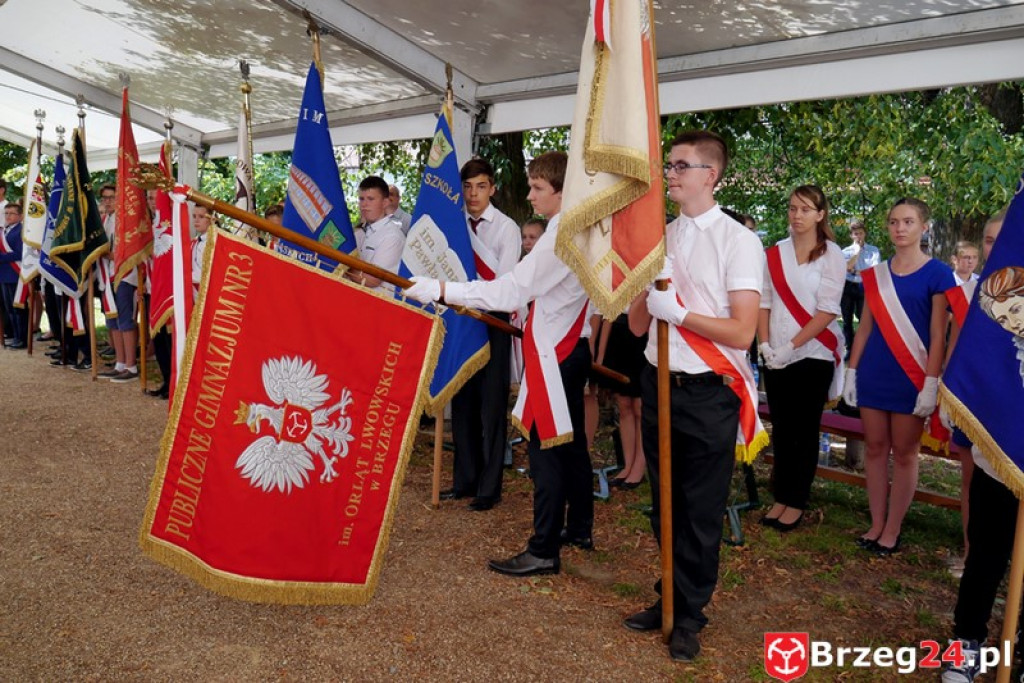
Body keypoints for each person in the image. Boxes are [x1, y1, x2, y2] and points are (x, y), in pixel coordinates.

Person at [405, 151, 594, 574]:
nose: (530, 195)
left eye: (538, 188)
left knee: (547, 453)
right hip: (566, 348)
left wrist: (441, 289)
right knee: (571, 445)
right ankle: (578, 526)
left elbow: (509, 292)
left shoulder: (563, 232)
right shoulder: (576, 226)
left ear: (562, 191)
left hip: (555, 353)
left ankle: (544, 549)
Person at [624, 130, 764, 662]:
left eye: (682, 166)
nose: (672, 174)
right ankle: (668, 594)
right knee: (663, 502)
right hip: (659, 383)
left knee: (699, 509)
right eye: (671, 165)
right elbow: (638, 327)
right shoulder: (661, 237)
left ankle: (689, 615)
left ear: (711, 174)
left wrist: (679, 314)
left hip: (709, 393)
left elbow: (743, 333)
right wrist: (646, 285)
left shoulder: (737, 240)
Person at [842, 198, 954, 556]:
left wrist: (931, 382)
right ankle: (876, 523)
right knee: (875, 449)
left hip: (913, 374)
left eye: (908, 222)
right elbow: (863, 329)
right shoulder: (875, 274)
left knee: (905, 453)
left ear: (924, 227)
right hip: (875, 371)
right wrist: (851, 371)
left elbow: (939, 335)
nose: (899, 228)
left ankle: (893, 528)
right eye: (893, 222)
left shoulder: (938, 273)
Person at [940, 210, 1011, 683]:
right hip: (998, 451)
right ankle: (967, 641)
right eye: (989, 240)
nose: (994, 249)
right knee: (986, 550)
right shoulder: (987, 302)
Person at [758, 185, 845, 531]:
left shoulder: (832, 254)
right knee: (782, 427)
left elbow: (827, 310)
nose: (797, 215)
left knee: (804, 430)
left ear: (820, 214)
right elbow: (764, 301)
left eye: (806, 209)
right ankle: (780, 495)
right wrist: (764, 344)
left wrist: (791, 346)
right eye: (793, 208)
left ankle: (796, 500)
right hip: (774, 351)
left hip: (812, 352)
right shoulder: (774, 253)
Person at [440, 158, 522, 511]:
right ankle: (464, 480)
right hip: (461, 321)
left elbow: (503, 285)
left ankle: (490, 488)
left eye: (481, 186)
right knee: (463, 404)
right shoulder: (454, 224)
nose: (473, 194)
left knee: (491, 408)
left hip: (492, 323)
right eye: (468, 187)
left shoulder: (507, 228)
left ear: (492, 188)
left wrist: (470, 293)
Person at [347, 176, 404, 290]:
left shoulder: (392, 236)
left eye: (370, 199)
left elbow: (372, 280)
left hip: (377, 304)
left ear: (385, 203)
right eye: (361, 199)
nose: (364, 204)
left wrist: (342, 264)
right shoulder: (360, 232)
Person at [840, 220, 880, 354]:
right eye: (855, 234)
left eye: (861, 233)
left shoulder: (873, 251)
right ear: (851, 235)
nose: (858, 236)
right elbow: (845, 268)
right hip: (848, 287)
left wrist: (856, 271)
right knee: (847, 320)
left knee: (864, 319)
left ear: (865, 234)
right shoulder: (845, 251)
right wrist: (856, 253)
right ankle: (849, 349)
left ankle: (864, 349)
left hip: (864, 287)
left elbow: (874, 271)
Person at [0, 202, 27, 349]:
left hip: (15, 273)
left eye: (11, 213)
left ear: (20, 216)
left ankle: (22, 338)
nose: (8, 216)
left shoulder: (21, 231)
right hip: (4, 274)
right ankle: (16, 336)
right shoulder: (5, 231)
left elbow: (19, 253)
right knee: (9, 308)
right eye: (6, 213)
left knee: (18, 308)